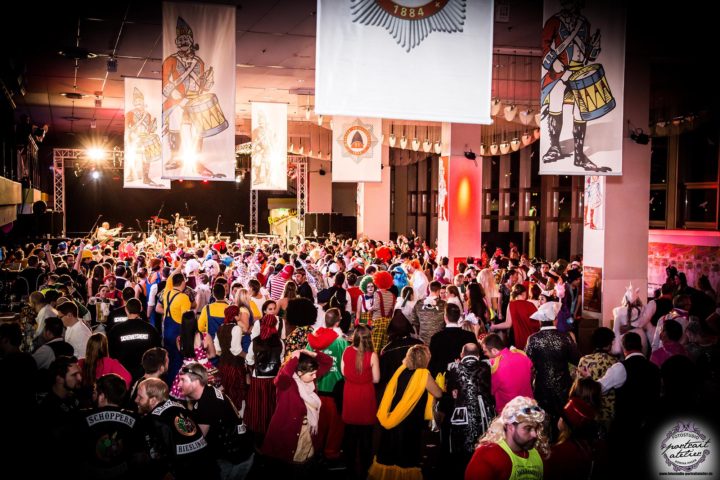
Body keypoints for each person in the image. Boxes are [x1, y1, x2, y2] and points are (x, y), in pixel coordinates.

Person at [540, 0, 611, 172]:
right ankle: (554, 147)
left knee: (581, 110)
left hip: (579, 72)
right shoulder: (554, 21)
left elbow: (588, 55)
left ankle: (579, 155)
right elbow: (544, 45)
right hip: (560, 71)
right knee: (555, 100)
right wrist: (553, 61)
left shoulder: (584, 23)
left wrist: (595, 47)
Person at [162, 16, 227, 178]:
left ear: (191, 41)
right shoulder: (171, 60)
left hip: (195, 100)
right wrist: (179, 98)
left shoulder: (199, 62)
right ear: (176, 42)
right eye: (181, 39)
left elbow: (201, 84)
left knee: (198, 130)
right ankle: (175, 157)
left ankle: (196, 160)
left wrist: (208, 82)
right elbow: (165, 83)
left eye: (186, 39)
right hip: (177, 100)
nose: (183, 42)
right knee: (176, 126)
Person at [370, 345, 443, 479]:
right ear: (425, 358)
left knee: (389, 454)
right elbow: (438, 393)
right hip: (410, 421)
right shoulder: (423, 375)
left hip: (393, 416)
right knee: (406, 457)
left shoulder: (401, 370)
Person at [178, 362, 255, 479]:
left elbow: (196, 441)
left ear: (196, 382)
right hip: (234, 453)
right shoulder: (207, 391)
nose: (179, 384)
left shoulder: (207, 403)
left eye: (183, 380)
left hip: (236, 460)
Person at [135, 378, 219, 480]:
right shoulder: (182, 408)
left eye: (140, 397)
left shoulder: (151, 420)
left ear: (153, 400)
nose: (136, 400)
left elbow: (157, 461)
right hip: (210, 470)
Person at [262, 350, 333, 471]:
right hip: (288, 433)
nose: (315, 376)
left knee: (304, 465)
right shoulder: (287, 384)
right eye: (312, 374)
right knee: (287, 467)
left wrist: (311, 354)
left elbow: (328, 362)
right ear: (299, 373)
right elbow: (281, 377)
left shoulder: (309, 380)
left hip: (307, 433)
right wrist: (294, 358)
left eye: (315, 373)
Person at [74, 373, 144, 479]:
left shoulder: (81, 417)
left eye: (95, 392)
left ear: (102, 396)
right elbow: (139, 455)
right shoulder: (135, 418)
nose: (93, 396)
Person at [442, 343, 494, 479]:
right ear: (478, 355)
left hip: (461, 414)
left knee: (461, 446)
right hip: (483, 413)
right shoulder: (486, 366)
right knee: (482, 444)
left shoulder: (453, 367)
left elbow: (451, 391)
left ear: (462, 354)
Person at [464, 396, 548, 480]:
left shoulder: (538, 453)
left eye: (536, 428)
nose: (535, 434)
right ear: (510, 427)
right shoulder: (488, 455)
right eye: (528, 428)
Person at [481, 333, 534, 413]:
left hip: (509, 412)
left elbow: (491, 390)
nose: (485, 354)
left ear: (494, 350)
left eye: (485, 352)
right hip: (528, 407)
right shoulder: (522, 355)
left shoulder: (494, 365)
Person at [125, 86, 163, 186]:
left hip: (145, 137)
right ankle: (131, 174)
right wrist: (132, 135)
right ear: (134, 103)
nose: (139, 103)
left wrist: (153, 124)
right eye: (137, 101)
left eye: (140, 101)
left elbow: (150, 130)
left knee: (147, 155)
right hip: (135, 138)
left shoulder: (148, 114)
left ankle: (146, 176)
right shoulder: (130, 114)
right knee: (134, 157)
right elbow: (127, 128)